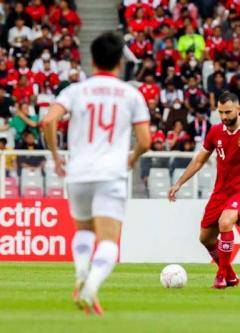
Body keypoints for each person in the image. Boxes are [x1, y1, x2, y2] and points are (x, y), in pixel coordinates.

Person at [43, 32, 151, 315]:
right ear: (120, 62)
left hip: (78, 173)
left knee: (83, 231)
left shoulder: (75, 90)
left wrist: (56, 157)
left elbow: (48, 121)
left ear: (91, 59)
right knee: (108, 241)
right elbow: (146, 140)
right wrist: (132, 157)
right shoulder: (131, 94)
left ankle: (81, 272)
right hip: (110, 174)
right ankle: (91, 285)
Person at [168, 91, 240, 289]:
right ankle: (231, 276)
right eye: (221, 112)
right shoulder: (215, 131)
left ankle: (220, 276)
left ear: (238, 109)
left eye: (228, 112)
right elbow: (199, 160)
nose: (224, 117)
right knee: (205, 238)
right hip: (220, 191)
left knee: (225, 222)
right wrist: (179, 182)